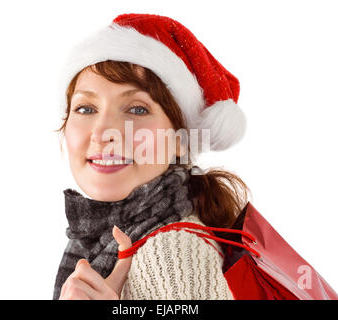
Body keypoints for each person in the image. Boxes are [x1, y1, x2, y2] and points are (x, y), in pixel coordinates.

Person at [52, 13, 250, 300]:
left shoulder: (171, 249)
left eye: (137, 109)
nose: (104, 132)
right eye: (85, 108)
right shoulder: (105, 239)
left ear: (181, 140)